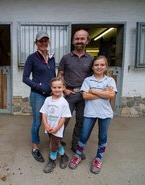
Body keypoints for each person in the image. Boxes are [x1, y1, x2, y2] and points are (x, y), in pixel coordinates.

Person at [69, 55, 117, 174]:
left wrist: (94, 91)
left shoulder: (110, 80)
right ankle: (78, 155)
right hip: (90, 113)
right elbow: (85, 96)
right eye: (96, 65)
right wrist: (104, 92)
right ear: (92, 67)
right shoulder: (88, 80)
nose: (99, 67)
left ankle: (98, 158)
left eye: (102, 65)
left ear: (106, 67)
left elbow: (111, 95)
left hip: (105, 114)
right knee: (84, 135)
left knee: (102, 137)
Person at [57, 29, 93, 155]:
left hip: (83, 95)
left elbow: (93, 78)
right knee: (63, 120)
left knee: (80, 122)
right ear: (73, 41)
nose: (79, 41)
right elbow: (59, 75)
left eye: (82, 38)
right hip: (69, 94)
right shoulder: (66, 58)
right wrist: (64, 89)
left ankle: (75, 146)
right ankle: (57, 143)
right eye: (77, 38)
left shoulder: (91, 59)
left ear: (87, 41)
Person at [23, 30, 56, 162]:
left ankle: (54, 142)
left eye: (45, 40)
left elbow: (53, 74)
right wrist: (40, 87)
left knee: (52, 119)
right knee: (37, 122)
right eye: (40, 41)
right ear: (36, 43)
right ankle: (35, 147)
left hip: (51, 95)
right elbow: (25, 78)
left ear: (48, 42)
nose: (43, 43)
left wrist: (57, 88)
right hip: (38, 95)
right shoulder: (32, 58)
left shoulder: (52, 57)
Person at [40, 77, 71, 173]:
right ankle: (64, 156)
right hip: (49, 127)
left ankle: (52, 161)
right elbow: (43, 113)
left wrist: (57, 128)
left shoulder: (64, 102)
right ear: (51, 88)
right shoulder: (48, 99)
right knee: (56, 143)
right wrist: (46, 125)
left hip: (57, 129)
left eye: (59, 87)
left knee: (53, 146)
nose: (57, 89)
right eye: (54, 87)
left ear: (63, 87)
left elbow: (64, 117)